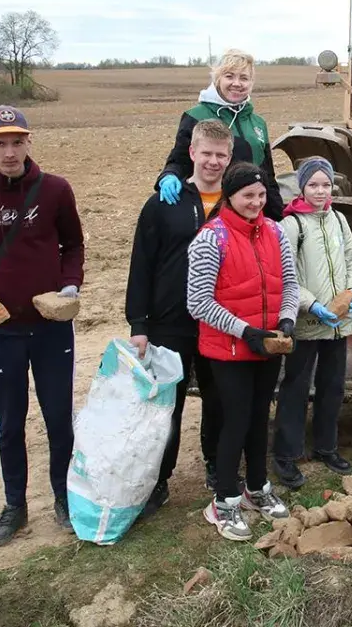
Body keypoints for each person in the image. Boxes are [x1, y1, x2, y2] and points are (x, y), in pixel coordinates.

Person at [0, 105, 85, 546]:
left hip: (50, 329)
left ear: (29, 142)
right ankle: (15, 506)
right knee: (10, 422)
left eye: (17, 142)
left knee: (58, 419)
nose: (9, 152)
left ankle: (65, 499)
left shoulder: (54, 190)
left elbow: (74, 245)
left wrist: (69, 286)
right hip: (1, 330)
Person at [187, 162, 297, 541]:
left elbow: (290, 283)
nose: (256, 202)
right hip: (228, 349)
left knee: (257, 417)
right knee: (234, 420)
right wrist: (245, 331)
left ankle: (256, 488)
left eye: (262, 194)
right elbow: (198, 302)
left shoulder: (275, 232)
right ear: (230, 196)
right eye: (248, 195)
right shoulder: (210, 238)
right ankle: (224, 501)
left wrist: (285, 320)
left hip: (266, 345)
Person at [125, 119, 231, 516]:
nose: (213, 162)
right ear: (192, 153)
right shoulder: (163, 204)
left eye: (221, 155)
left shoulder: (235, 205)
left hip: (219, 321)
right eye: (206, 153)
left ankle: (216, 467)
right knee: (167, 404)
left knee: (218, 398)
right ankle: (159, 479)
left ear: (230, 157)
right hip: (170, 322)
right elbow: (142, 264)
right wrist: (139, 323)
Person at [272, 157, 352, 489]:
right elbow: (286, 276)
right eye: (313, 185)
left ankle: (327, 447)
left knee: (332, 386)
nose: (320, 191)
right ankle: (286, 454)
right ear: (302, 187)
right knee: (296, 387)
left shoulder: (339, 220)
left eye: (326, 185)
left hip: (338, 322)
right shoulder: (291, 225)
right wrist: (311, 305)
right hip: (307, 322)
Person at [155, 48, 285, 221]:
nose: (237, 83)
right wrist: (169, 176)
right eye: (229, 76)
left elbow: (267, 175)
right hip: (210, 209)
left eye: (244, 78)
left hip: (249, 210)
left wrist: (278, 217)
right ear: (218, 79)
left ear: (251, 83)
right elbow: (179, 160)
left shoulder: (258, 123)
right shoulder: (196, 116)